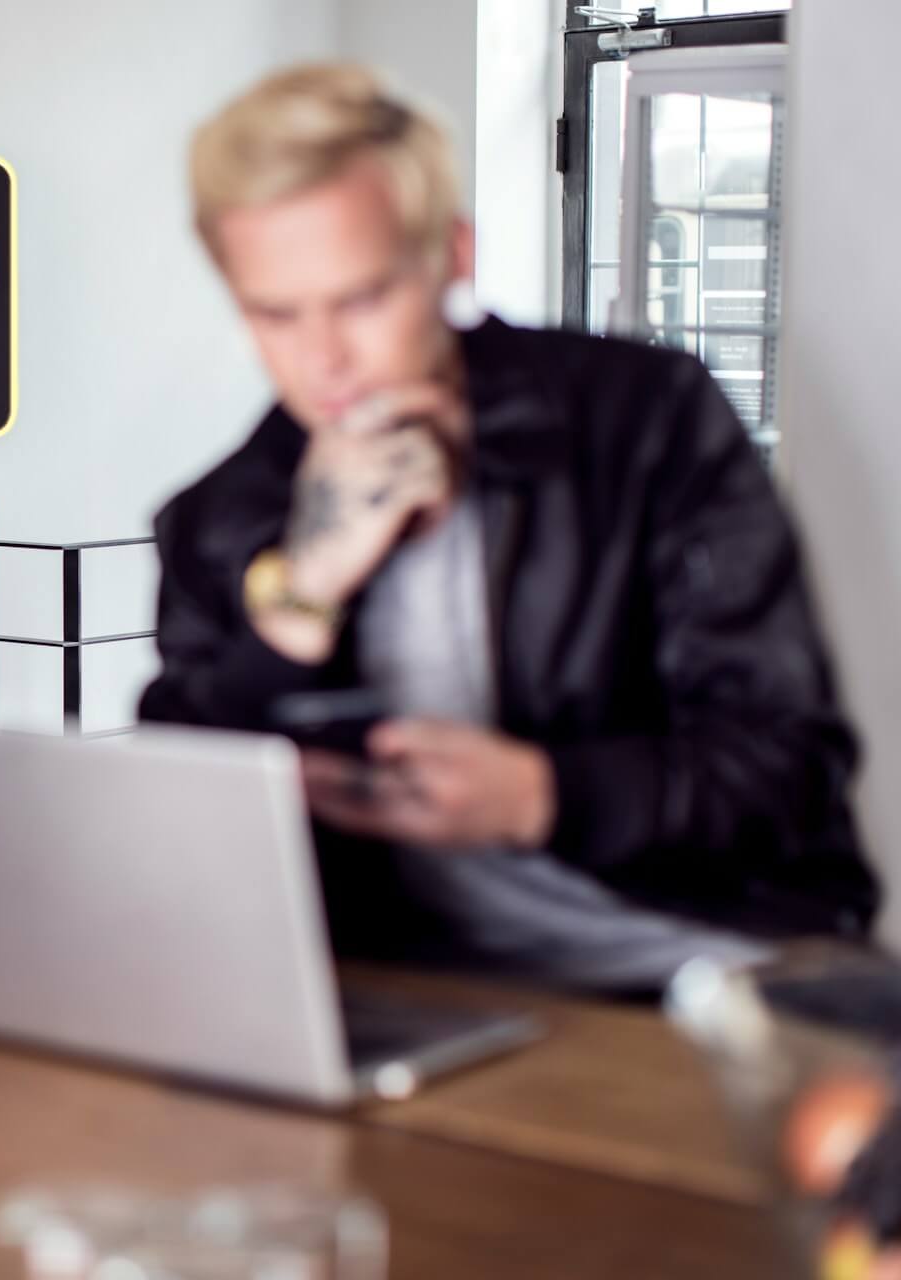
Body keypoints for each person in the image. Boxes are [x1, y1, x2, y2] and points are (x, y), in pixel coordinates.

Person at [139, 64, 879, 991]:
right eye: (275, 314)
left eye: (362, 299)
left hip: (708, 975)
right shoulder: (222, 515)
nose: (323, 358)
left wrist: (543, 795)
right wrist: (302, 596)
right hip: (410, 993)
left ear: (453, 255)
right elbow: (174, 829)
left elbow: (790, 768)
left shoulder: (647, 423)